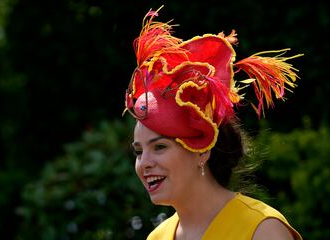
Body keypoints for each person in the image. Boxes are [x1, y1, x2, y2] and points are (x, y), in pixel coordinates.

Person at [124, 6, 303, 240]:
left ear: (202, 150)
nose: (144, 163)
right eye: (139, 151)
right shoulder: (157, 237)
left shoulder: (262, 230)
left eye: (159, 147)